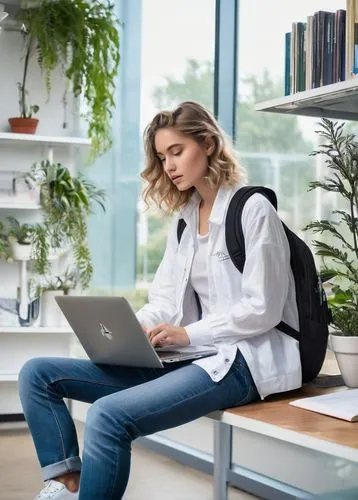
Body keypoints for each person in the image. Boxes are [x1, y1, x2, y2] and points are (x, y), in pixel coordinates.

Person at [19, 101, 302, 500]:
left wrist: (187, 334)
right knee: (37, 372)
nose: (168, 165)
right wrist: (137, 329)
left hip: (240, 362)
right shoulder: (186, 218)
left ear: (207, 143)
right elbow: (165, 299)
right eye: (161, 156)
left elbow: (263, 309)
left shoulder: (253, 209)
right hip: (193, 355)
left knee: (107, 416)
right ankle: (68, 482)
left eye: (176, 151)